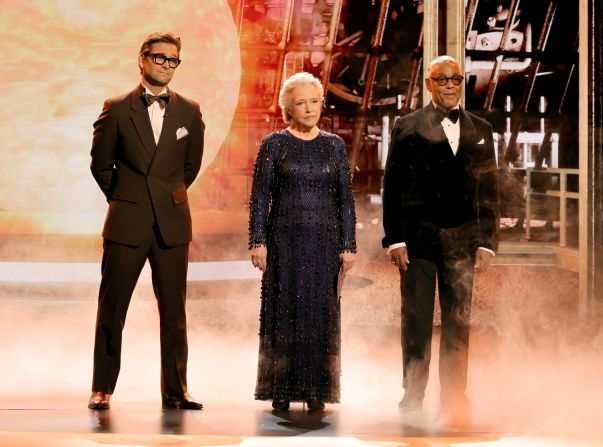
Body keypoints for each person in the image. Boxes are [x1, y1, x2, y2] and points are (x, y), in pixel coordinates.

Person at [88, 31, 204, 410]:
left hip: (171, 225)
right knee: (112, 308)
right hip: (128, 222)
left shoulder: (190, 110)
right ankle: (101, 388)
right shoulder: (118, 108)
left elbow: (189, 167)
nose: (166, 65)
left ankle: (176, 389)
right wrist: (127, 198)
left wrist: (163, 197)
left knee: (175, 313)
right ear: (142, 59)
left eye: (173, 60)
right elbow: (101, 165)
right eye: (160, 58)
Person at [382, 55, 500, 415]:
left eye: (456, 79)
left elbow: (490, 188)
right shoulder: (407, 125)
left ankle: (454, 394)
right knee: (416, 318)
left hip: (463, 240)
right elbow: (393, 186)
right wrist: (395, 239)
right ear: (429, 84)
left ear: (463, 84)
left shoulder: (481, 129)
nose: (450, 85)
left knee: (458, 319)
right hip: (417, 240)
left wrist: (487, 241)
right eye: (442, 79)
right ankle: (413, 392)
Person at [248, 72, 357, 412]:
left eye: (314, 101)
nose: (309, 109)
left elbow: (345, 200)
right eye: (301, 103)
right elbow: (260, 197)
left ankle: (316, 390)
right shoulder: (274, 145)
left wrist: (349, 245)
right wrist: (258, 241)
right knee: (283, 312)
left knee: (320, 314)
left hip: (325, 244)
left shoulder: (334, 146)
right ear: (288, 109)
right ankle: (280, 388)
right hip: (283, 243)